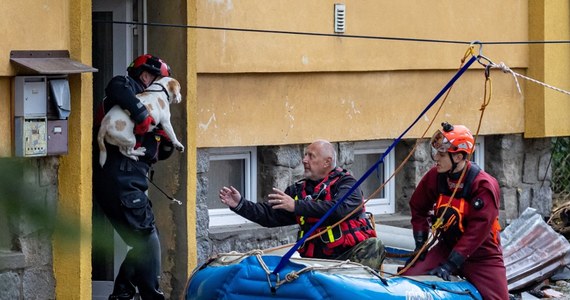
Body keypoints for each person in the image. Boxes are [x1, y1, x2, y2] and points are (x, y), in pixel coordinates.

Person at [219, 140, 385, 270]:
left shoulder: (348, 184)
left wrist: (296, 206)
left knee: (374, 245)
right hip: (314, 262)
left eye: (311, 156)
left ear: (327, 162)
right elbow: (270, 216)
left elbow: (338, 209)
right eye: (305, 155)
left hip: (346, 258)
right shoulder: (299, 190)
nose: (304, 160)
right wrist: (240, 204)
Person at [93, 54, 175, 300]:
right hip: (120, 179)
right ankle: (151, 295)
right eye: (159, 81)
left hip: (131, 181)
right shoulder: (126, 89)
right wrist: (141, 115)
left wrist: (163, 139)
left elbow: (161, 148)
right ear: (146, 76)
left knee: (147, 238)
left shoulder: (153, 103)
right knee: (146, 237)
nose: (162, 89)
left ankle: (122, 294)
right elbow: (116, 88)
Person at [401, 122, 508, 300]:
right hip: (446, 247)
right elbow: (418, 206)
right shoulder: (436, 176)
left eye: (442, 155)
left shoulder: (482, 185)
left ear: (458, 157)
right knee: (408, 279)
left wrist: (451, 265)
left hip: (481, 255)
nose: (436, 158)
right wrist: (420, 245)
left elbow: (477, 230)